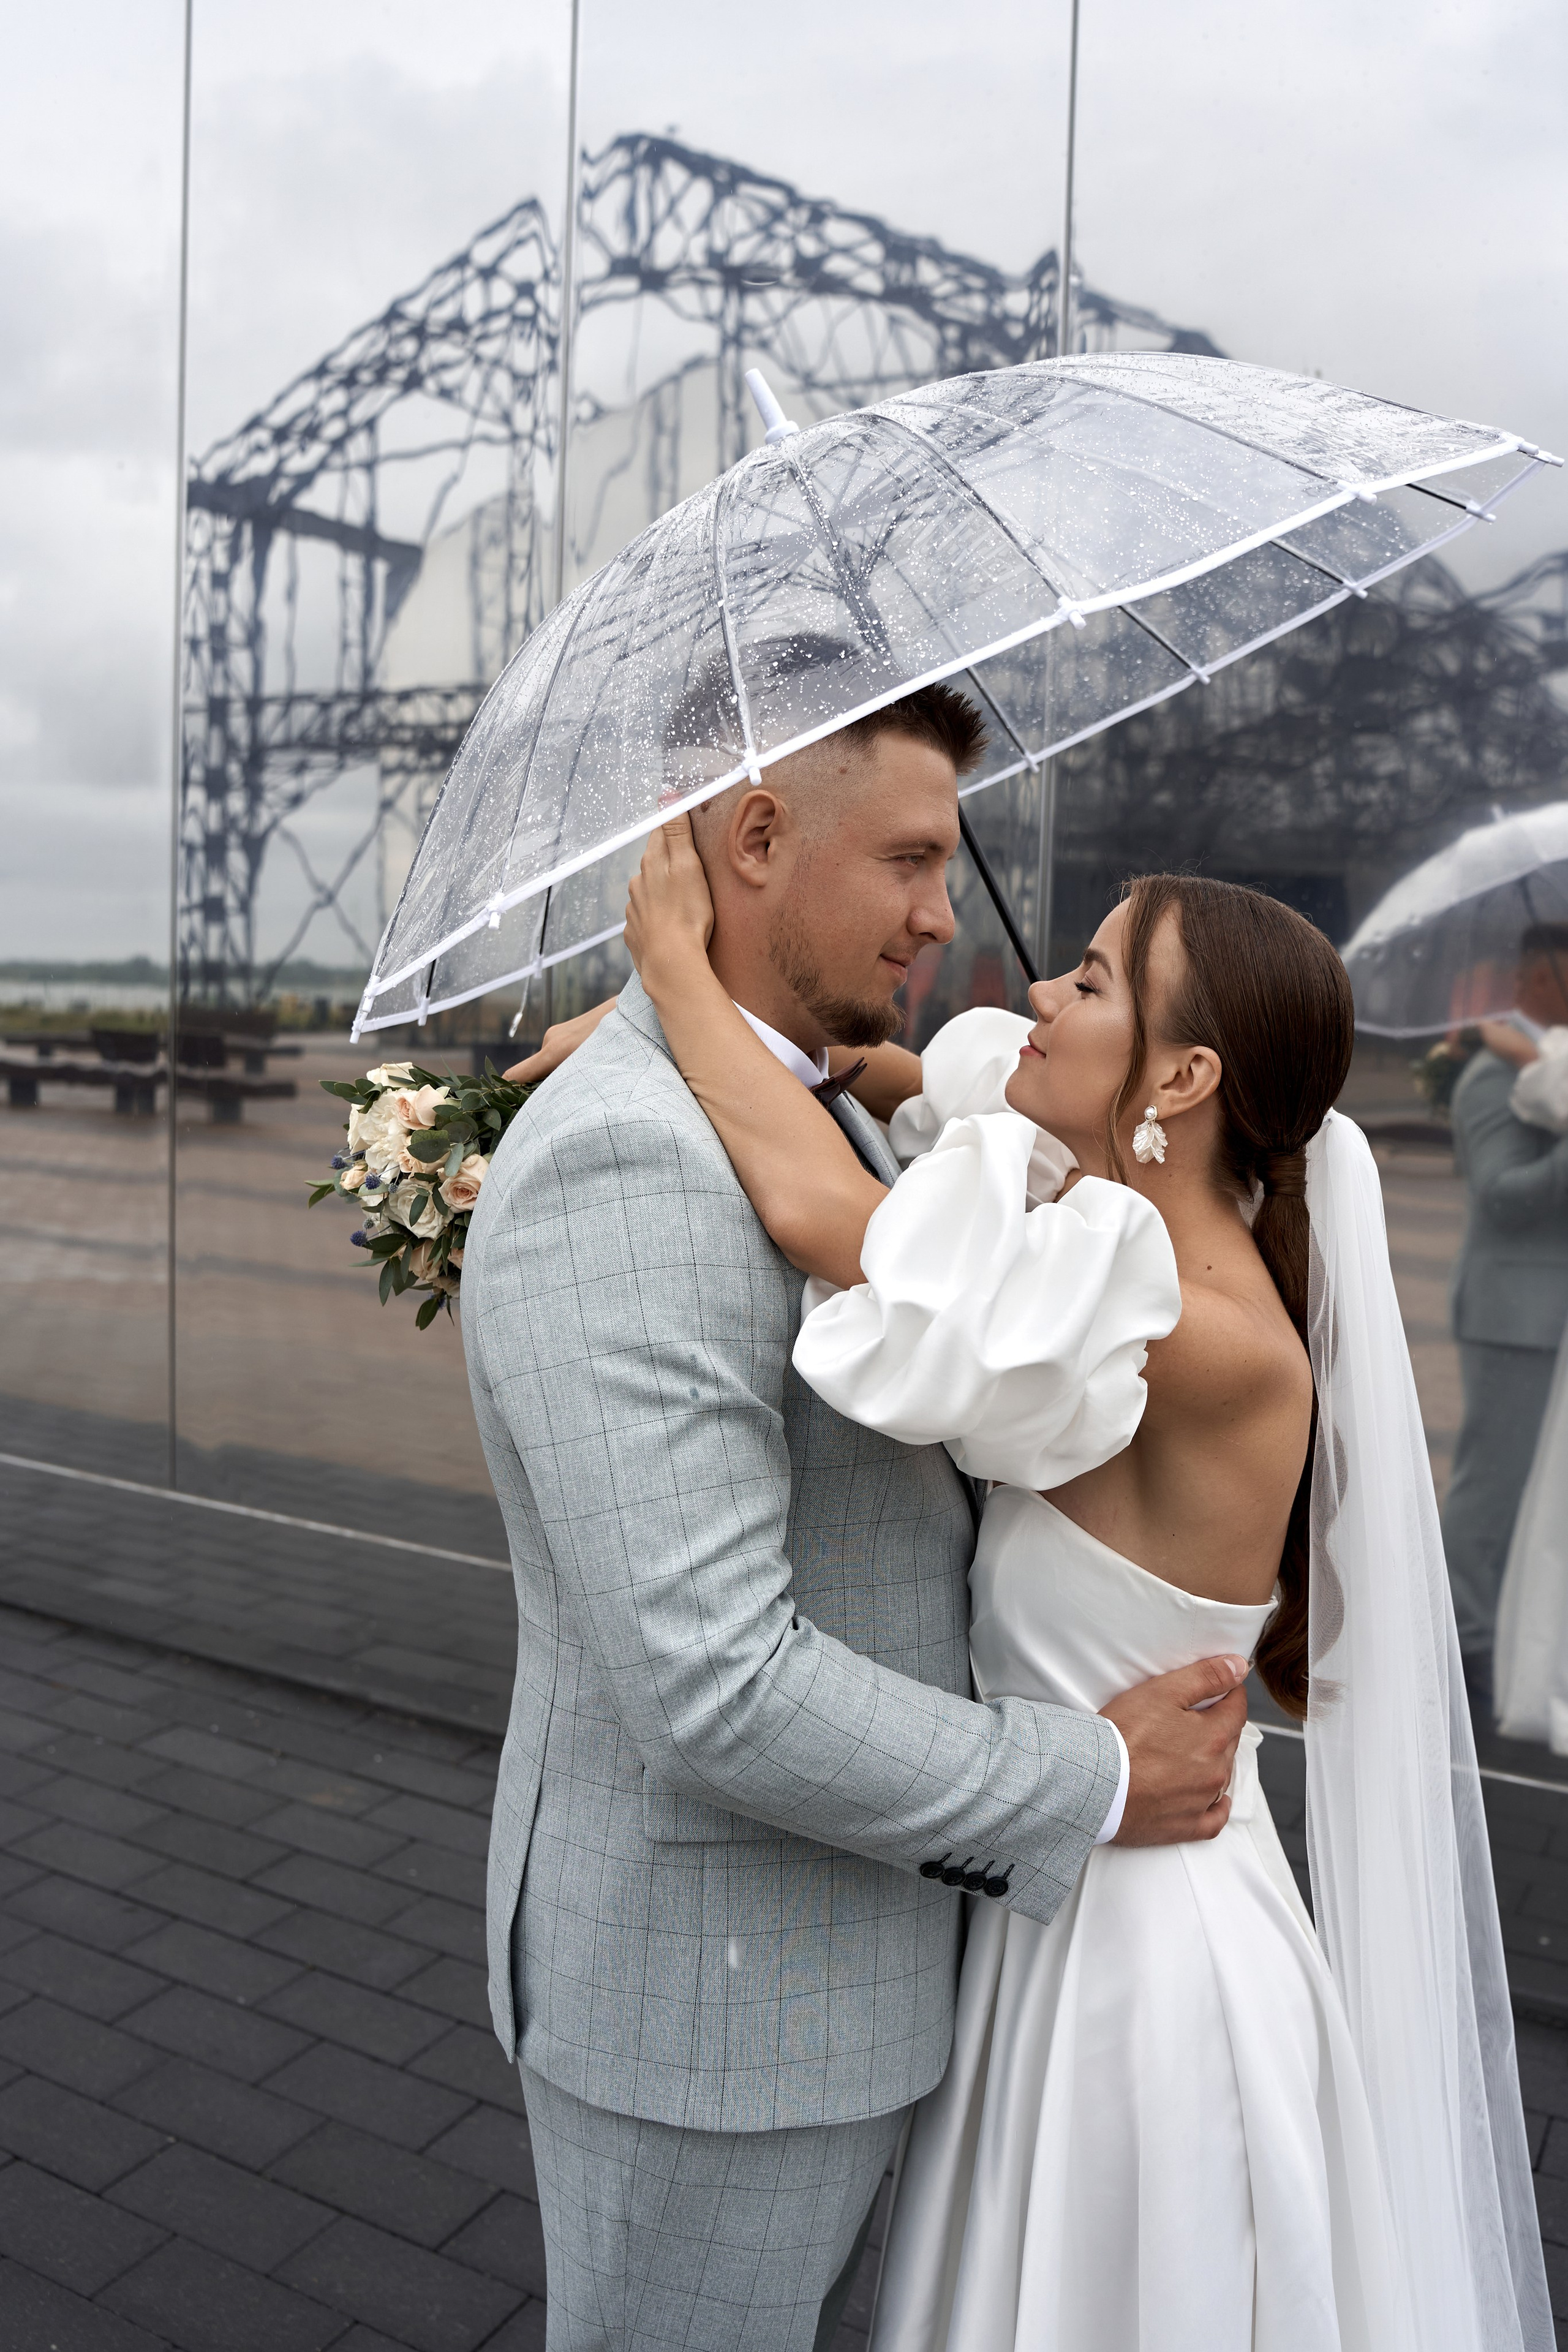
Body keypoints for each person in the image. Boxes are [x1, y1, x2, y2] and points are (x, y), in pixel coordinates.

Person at [617, 827, 1548, 2350]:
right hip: (1063, 1890)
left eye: (1093, 979)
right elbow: (955, 1078)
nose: (1039, 991)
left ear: (1181, 1078)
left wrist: (671, 971)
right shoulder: (1133, 1235)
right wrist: (823, 1059)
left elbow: (823, 1216)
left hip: (1143, 1966)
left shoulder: (1200, 1331)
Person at [462, 685, 1250, 2352]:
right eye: (906, 859)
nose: (942, 916)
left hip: (850, 1978)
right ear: (754, 838)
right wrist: (1092, 1779)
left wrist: (690, 1004)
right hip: (716, 2020)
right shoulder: (631, 1160)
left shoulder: (811, 1105)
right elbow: (715, 1685)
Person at [1441, 922, 1568, 1714]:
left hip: (1546, 1317)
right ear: (1538, 979)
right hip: (1512, 1315)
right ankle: (1464, 1642)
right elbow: (1500, 1194)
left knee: (1531, 1494)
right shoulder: (1493, 1077)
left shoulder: (1547, 1067)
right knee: (1493, 1487)